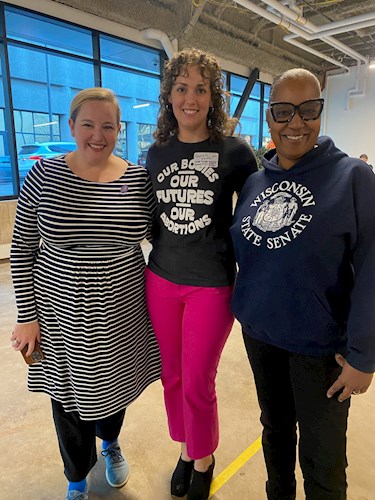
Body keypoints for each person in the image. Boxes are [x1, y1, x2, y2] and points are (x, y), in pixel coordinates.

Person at [231, 68, 375, 500]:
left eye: (308, 109)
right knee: (274, 433)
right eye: (283, 111)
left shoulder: (353, 178)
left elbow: (372, 266)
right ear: (270, 117)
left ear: (320, 111)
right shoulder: (256, 182)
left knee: (322, 456)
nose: (296, 122)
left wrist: (365, 355)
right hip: (261, 337)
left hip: (321, 346)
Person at [10, 87, 161, 500]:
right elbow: (23, 247)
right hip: (59, 310)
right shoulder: (43, 176)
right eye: (89, 124)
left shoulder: (137, 179)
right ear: (72, 126)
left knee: (115, 390)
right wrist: (27, 316)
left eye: (108, 126)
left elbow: (164, 239)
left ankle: (110, 444)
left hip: (124, 310)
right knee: (66, 399)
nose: (99, 135)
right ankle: (77, 477)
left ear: (119, 130)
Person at [144, 47, 258, 500]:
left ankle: (204, 459)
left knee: (196, 381)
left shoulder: (234, 151)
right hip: (162, 279)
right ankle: (187, 450)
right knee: (171, 375)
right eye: (181, 88)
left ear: (213, 98)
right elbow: (147, 216)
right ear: (169, 96)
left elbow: (256, 215)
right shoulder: (157, 153)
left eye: (200, 89)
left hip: (211, 284)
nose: (190, 97)